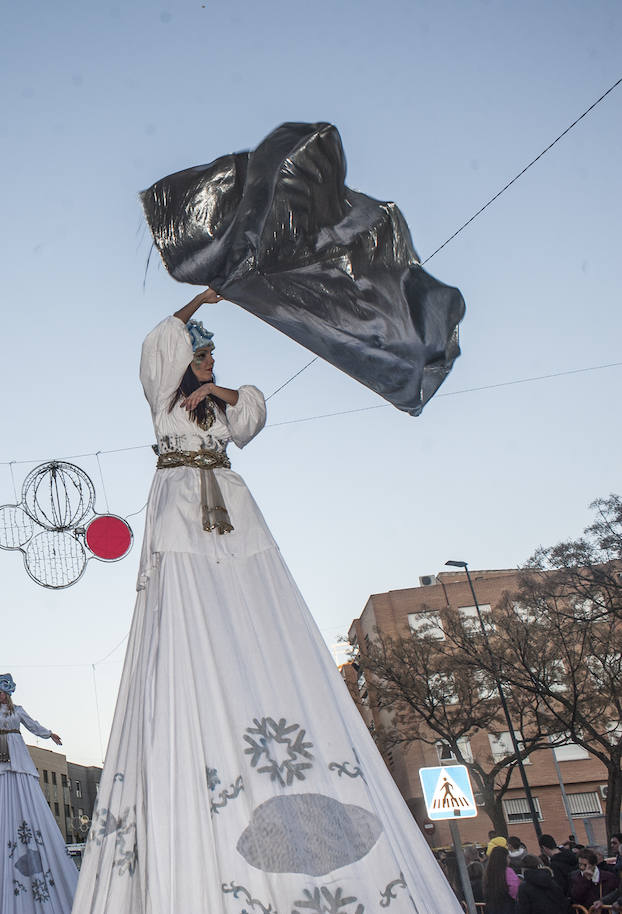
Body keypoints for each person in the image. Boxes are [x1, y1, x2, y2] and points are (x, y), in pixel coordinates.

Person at [70, 289, 465, 914]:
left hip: (230, 500)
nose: (205, 364)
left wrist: (216, 394)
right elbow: (156, 343)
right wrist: (199, 300)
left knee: (255, 575)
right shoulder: (162, 404)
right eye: (198, 358)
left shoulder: (220, 411)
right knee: (185, 587)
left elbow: (253, 411)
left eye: (208, 359)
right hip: (179, 500)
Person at [0, 673, 77, 914]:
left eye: (0, 692)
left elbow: (32, 724)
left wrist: (49, 733)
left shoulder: (18, 711)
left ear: (8, 693)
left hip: (15, 748)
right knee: (1, 780)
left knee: (20, 777)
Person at [483, 841, 519, 914]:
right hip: (508, 907)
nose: (509, 859)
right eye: (508, 857)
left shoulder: (488, 872)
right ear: (504, 858)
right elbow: (514, 889)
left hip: (491, 907)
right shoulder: (508, 871)